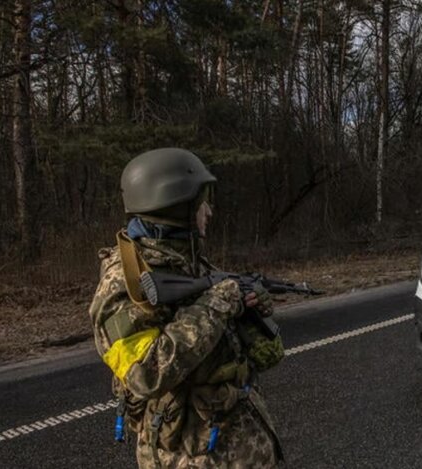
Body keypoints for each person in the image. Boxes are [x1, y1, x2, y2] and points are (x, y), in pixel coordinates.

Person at [89, 148, 284, 468]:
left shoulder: (192, 267)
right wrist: (218, 304)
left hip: (239, 450)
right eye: (200, 202)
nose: (209, 211)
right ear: (175, 206)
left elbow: (262, 357)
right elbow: (145, 373)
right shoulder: (125, 282)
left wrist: (254, 315)